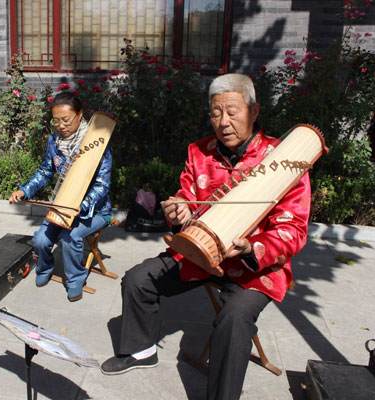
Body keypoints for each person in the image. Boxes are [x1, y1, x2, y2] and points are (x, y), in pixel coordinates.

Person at [100, 74, 311, 400]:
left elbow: (293, 228)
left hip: (254, 268)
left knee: (233, 321)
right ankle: (141, 350)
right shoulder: (199, 152)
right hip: (200, 253)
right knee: (138, 279)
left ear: (254, 112)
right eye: (215, 113)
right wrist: (179, 211)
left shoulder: (285, 160)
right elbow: (186, 194)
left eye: (232, 111)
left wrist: (253, 247)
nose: (223, 122)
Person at [9, 91, 112, 302]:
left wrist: (81, 205)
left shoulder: (97, 143)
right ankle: (45, 268)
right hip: (64, 205)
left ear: (80, 115)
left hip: (95, 210)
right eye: (56, 121)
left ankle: (75, 279)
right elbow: (46, 171)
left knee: (70, 236)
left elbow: (103, 185)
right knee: (39, 239)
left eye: (66, 120)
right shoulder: (54, 142)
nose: (61, 126)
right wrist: (24, 190)